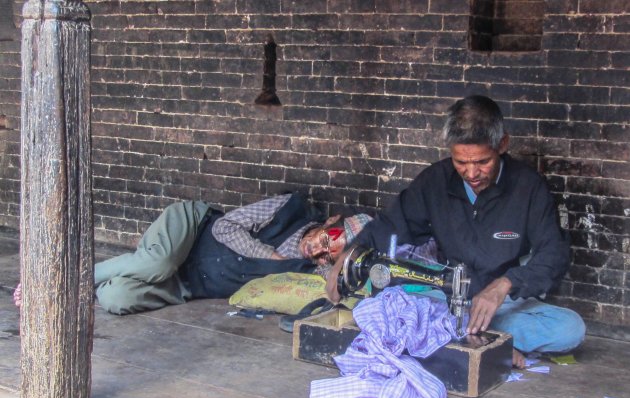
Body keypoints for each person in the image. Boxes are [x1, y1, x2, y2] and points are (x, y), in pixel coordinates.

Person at [326, 95, 585, 368]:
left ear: (502, 145)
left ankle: (453, 337)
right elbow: (390, 225)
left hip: (503, 305)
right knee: (378, 306)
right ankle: (488, 342)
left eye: (482, 162)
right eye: (461, 162)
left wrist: (506, 284)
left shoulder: (529, 188)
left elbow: (553, 254)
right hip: (446, 301)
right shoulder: (435, 181)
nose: (472, 173)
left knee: (570, 329)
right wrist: (348, 255)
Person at [14, 193, 372, 315]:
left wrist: (339, 267)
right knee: (157, 261)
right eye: (330, 236)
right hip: (192, 230)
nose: (320, 248)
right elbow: (225, 228)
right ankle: (54, 281)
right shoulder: (287, 208)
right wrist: (269, 256)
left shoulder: (312, 268)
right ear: (331, 221)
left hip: (188, 282)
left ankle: (92, 287)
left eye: (330, 253)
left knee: (116, 299)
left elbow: (337, 287)